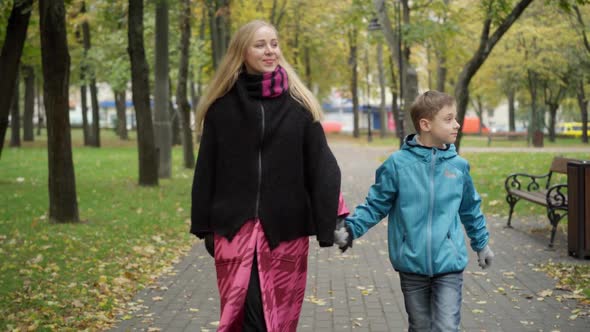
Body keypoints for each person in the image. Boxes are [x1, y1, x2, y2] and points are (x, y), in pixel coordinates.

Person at [190, 20, 348, 332]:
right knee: (246, 318)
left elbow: (321, 166)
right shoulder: (220, 110)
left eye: (274, 44)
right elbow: (206, 170)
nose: (270, 50)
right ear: (242, 52)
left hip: (286, 234)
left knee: (280, 321)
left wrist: (338, 218)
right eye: (260, 44)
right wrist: (205, 226)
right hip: (235, 231)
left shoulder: (299, 108)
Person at [334, 90, 494, 332]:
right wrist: (351, 228)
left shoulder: (458, 166)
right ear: (425, 124)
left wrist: (481, 244)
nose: (457, 124)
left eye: (456, 118)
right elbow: (376, 204)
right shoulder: (398, 164)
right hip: (411, 263)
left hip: (449, 264)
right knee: (420, 326)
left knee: (447, 327)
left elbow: (470, 208)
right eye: (449, 119)